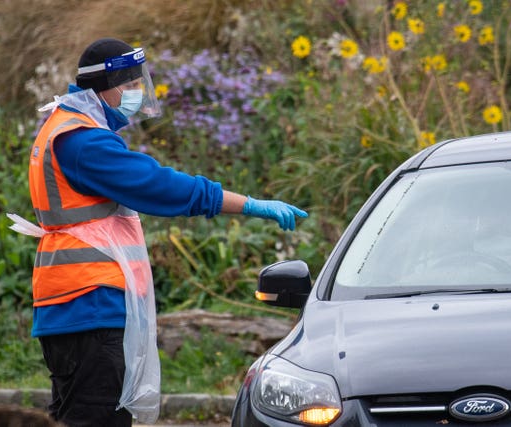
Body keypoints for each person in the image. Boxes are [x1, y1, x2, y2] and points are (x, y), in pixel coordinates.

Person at [21, 37, 307, 427]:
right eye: (132, 84)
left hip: (80, 304)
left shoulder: (71, 126)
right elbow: (160, 186)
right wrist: (249, 204)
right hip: (88, 304)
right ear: (107, 87)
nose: (139, 93)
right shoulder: (83, 142)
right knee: (96, 418)